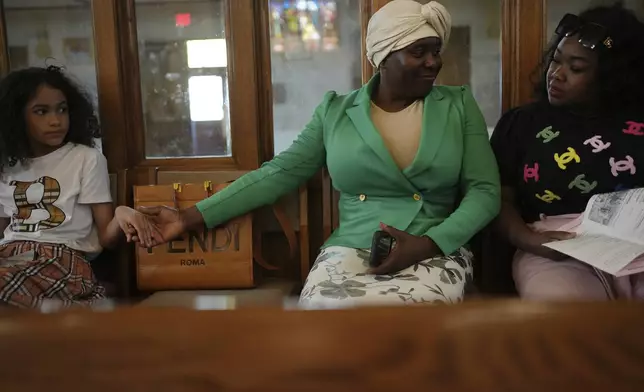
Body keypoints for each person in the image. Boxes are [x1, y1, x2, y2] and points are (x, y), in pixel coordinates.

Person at [139, 0, 500, 308]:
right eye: (417, 53)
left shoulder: (458, 105)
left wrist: (426, 244)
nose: (432, 62)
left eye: (435, 51)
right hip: (353, 249)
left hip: (435, 247)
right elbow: (279, 173)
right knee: (323, 318)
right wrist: (190, 217)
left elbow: (485, 192)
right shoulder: (336, 112)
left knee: (412, 323)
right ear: (383, 57)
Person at [490, 4, 644, 300]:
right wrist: (530, 240)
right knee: (565, 314)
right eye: (556, 60)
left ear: (611, 76)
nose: (556, 74)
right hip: (555, 251)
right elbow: (497, 197)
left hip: (634, 247)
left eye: (576, 68)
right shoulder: (522, 124)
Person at [0, 66, 157, 308]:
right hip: (9, 256)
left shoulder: (85, 159)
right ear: (15, 116)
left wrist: (123, 212)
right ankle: (48, 313)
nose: (55, 120)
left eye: (62, 109)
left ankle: (56, 310)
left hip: (61, 257)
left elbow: (107, 236)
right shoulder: (6, 165)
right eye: (41, 112)